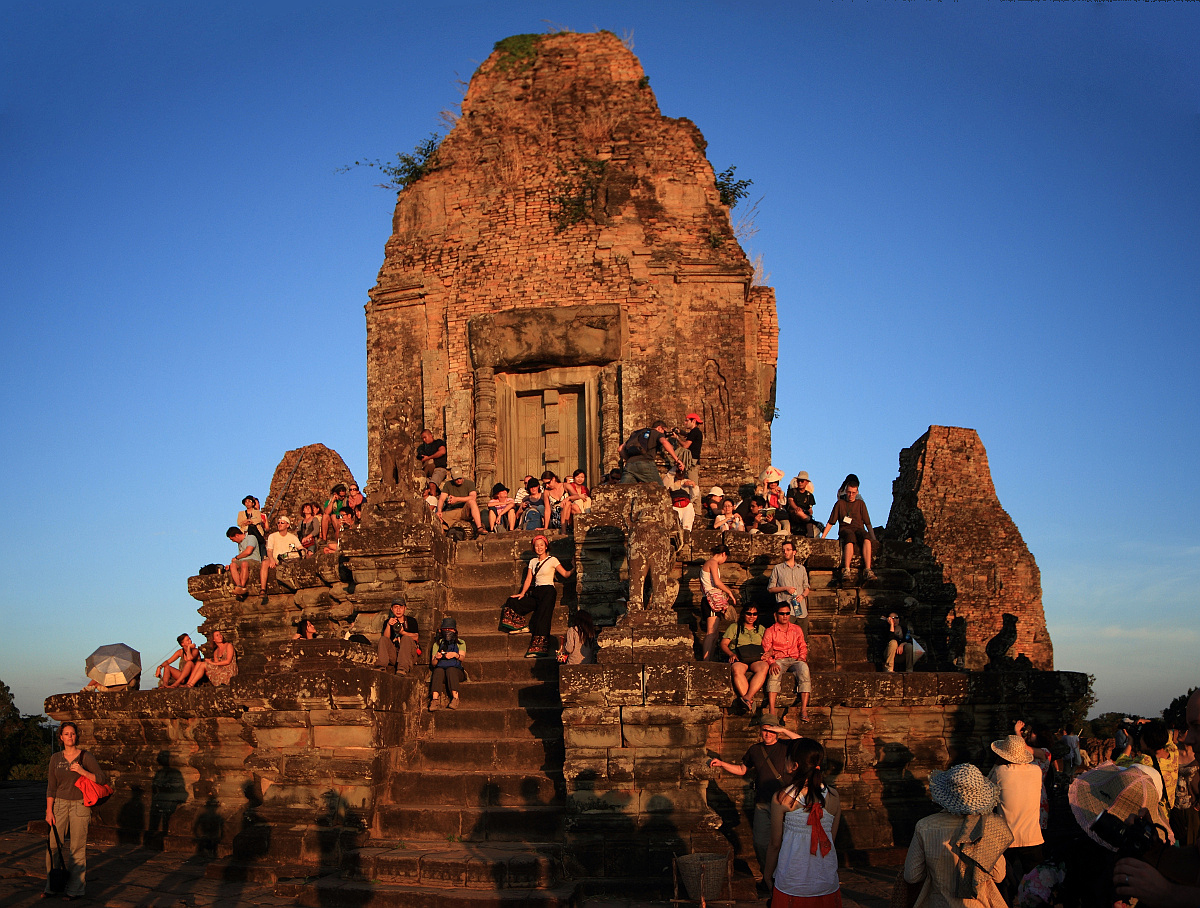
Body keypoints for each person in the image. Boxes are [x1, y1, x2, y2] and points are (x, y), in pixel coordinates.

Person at [902, 763, 1011, 908]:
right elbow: (999, 876)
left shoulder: (925, 826)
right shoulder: (988, 826)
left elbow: (912, 875)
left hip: (939, 903)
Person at [710, 715, 800, 886]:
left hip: (785, 803)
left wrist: (783, 731)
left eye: (771, 730)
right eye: (764, 730)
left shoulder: (786, 746)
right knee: (760, 842)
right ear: (760, 731)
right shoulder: (755, 750)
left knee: (786, 841)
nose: (768, 734)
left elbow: (807, 744)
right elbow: (742, 770)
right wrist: (722, 764)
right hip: (763, 803)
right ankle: (769, 876)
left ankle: (786, 877)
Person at [764, 737, 842, 907]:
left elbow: (774, 844)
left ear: (795, 765)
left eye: (787, 757)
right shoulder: (834, 796)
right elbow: (831, 841)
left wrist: (767, 874)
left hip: (793, 879)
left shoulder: (782, 798)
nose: (785, 760)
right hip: (825, 877)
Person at [44, 722, 107, 900]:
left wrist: (82, 771)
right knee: (53, 846)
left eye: (72, 734)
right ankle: (52, 886)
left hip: (80, 805)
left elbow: (101, 779)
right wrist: (49, 810)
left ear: (76, 737)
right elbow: (51, 786)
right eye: (66, 734)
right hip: (59, 806)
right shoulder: (55, 758)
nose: (70, 737)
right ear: (61, 737)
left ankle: (75, 889)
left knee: (77, 848)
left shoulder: (85, 757)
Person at [988, 734, 1042, 902]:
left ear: (1003, 755)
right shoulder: (1036, 771)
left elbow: (985, 788)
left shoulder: (1000, 771)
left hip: (1006, 839)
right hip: (1032, 837)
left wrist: (997, 761)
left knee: (1003, 884)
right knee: (1037, 886)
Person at [502, 534, 572, 658]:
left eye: (541, 545)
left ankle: (538, 649)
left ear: (546, 547)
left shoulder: (552, 560)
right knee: (512, 601)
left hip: (548, 591)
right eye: (536, 546)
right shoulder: (533, 561)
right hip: (536, 591)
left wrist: (575, 567)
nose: (539, 548)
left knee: (543, 618)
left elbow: (565, 574)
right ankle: (521, 625)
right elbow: (529, 579)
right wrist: (522, 593)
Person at [820, 475, 876, 583]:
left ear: (857, 492)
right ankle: (847, 569)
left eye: (853, 493)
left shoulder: (861, 504)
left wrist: (873, 538)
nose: (851, 495)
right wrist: (823, 537)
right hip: (845, 529)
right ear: (846, 491)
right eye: (849, 492)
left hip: (859, 528)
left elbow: (868, 523)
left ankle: (868, 569)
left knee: (866, 537)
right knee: (850, 537)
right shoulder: (840, 503)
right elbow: (831, 521)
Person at [763, 601, 811, 722]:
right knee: (775, 672)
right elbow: (766, 649)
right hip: (779, 659)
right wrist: (771, 662)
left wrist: (802, 657)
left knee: (804, 670)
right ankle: (772, 710)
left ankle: (804, 709)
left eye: (787, 613)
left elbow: (802, 645)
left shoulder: (796, 629)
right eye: (782, 613)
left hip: (795, 659)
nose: (785, 616)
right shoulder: (770, 631)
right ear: (776, 615)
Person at [722, 603, 769, 712]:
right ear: (743, 614)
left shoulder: (761, 629)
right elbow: (724, 643)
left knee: (764, 667)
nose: (752, 617)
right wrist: (731, 654)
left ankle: (747, 697)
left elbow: (770, 645)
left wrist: (768, 653)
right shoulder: (735, 627)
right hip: (740, 656)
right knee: (737, 670)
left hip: (756, 657)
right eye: (749, 614)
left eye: (754, 614)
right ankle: (748, 701)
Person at [700, 544, 738, 660]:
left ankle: (709, 658)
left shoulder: (709, 563)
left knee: (715, 634)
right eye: (725, 558)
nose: (724, 560)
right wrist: (729, 592)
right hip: (711, 600)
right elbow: (717, 582)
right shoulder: (712, 562)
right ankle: (706, 660)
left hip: (711, 599)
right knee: (711, 633)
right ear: (723, 554)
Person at [618, 419, 685, 485]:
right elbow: (664, 442)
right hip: (646, 463)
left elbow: (620, 449)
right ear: (659, 428)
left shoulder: (637, 433)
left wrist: (630, 460)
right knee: (660, 489)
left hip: (629, 465)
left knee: (623, 490)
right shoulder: (656, 433)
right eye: (664, 432)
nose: (664, 434)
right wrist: (677, 459)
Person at [768, 540, 811, 640]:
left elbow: (807, 588)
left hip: (801, 610)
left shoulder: (801, 569)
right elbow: (770, 589)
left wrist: (803, 595)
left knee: (802, 640)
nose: (785, 552)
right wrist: (785, 588)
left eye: (788, 550)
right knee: (785, 639)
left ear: (794, 552)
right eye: (783, 551)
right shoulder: (778, 569)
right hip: (785, 611)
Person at [429, 617, 465, 710]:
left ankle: (455, 698)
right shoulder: (437, 644)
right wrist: (437, 657)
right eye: (445, 629)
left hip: (455, 671)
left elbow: (462, 658)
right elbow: (433, 663)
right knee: (438, 670)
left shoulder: (461, 643)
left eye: (450, 629)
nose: (448, 631)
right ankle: (435, 699)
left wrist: (455, 655)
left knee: (451, 670)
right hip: (441, 670)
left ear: (454, 630)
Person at [438, 468, 487, 535]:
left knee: (472, 502)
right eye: (456, 479)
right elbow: (441, 499)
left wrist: (457, 499)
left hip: (464, 510)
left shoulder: (469, 483)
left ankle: (479, 527)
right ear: (452, 478)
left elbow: (473, 497)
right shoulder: (448, 485)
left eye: (460, 478)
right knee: (437, 518)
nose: (459, 480)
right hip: (453, 511)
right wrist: (439, 510)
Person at [377, 596, 419, 674]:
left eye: (401, 607)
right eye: (396, 607)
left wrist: (402, 632)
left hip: (408, 655)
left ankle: (402, 668)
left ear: (405, 608)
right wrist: (389, 625)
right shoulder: (388, 622)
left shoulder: (411, 621)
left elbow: (416, 637)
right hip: (395, 654)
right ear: (392, 609)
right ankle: (381, 666)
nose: (398, 610)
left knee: (406, 638)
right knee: (382, 639)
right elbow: (386, 639)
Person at [263, 516, 303, 589]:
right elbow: (269, 550)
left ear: (287, 525)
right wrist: (271, 559)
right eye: (278, 523)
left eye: (282, 523)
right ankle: (263, 589)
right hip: (275, 559)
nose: (279, 524)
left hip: (288, 560)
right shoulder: (272, 536)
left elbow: (301, 549)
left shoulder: (293, 537)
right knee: (264, 563)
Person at [226, 525, 262, 597]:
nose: (233, 541)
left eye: (233, 539)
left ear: (237, 535)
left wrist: (236, 557)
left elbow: (248, 551)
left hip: (253, 560)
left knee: (244, 564)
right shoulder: (240, 543)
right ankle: (238, 585)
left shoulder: (251, 538)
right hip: (243, 560)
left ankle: (242, 587)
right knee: (232, 565)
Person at [668, 413, 703, 485]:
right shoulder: (694, 432)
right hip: (690, 462)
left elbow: (686, 445)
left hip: (692, 463)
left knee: (693, 485)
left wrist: (677, 438)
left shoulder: (695, 432)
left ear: (693, 421)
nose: (685, 423)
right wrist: (679, 431)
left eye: (687, 421)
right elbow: (688, 435)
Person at [786, 472, 820, 539]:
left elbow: (810, 509)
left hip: (804, 515)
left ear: (806, 482)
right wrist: (796, 508)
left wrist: (809, 513)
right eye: (798, 481)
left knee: (809, 525)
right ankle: (814, 522)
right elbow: (790, 501)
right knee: (799, 512)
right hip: (794, 513)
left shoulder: (809, 495)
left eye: (802, 481)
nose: (800, 483)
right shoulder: (792, 491)